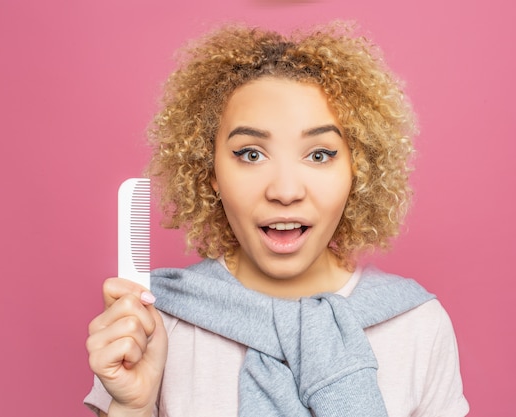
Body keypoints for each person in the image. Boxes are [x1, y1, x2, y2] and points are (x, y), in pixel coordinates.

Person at [85, 21, 469, 417]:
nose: (285, 191)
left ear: (359, 170)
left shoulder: (417, 326)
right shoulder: (152, 326)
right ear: (210, 171)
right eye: (251, 154)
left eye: (319, 154)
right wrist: (132, 406)